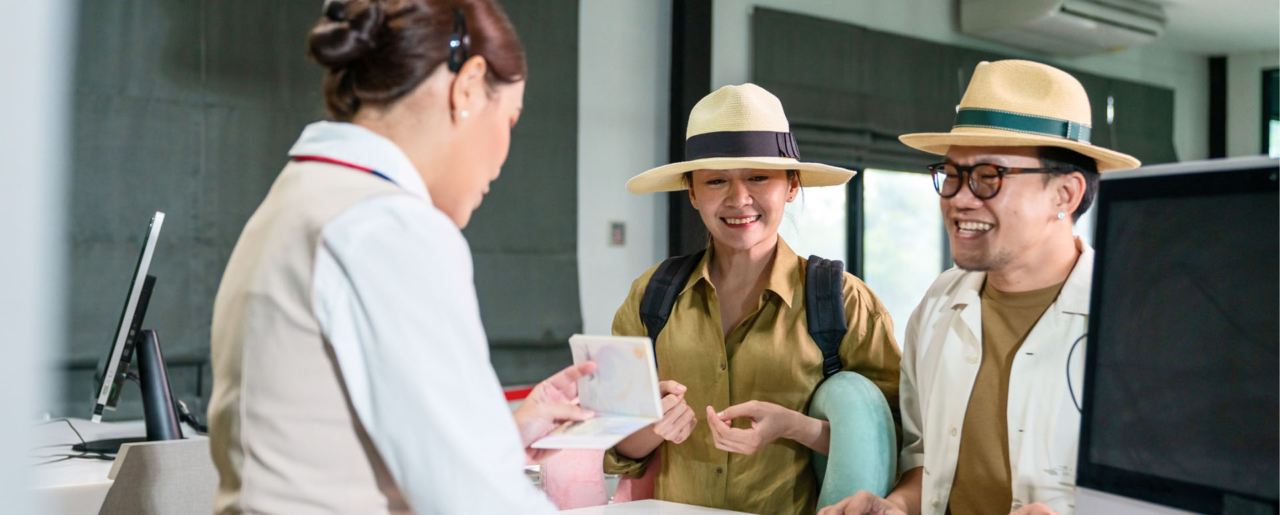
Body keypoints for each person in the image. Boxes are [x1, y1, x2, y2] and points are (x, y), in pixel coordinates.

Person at [207, 1, 592, 513]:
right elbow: (475, 500)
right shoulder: (389, 227)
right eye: (511, 119)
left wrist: (498, 433)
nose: (503, 160)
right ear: (470, 87)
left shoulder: (302, 197)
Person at [819, 60, 1141, 515]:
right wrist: (895, 507)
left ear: (1064, 195)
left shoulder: (1136, 326)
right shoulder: (938, 304)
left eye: (989, 176)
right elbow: (926, 462)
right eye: (951, 175)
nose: (959, 197)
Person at [604, 84, 903, 514]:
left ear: (792, 186)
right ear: (691, 192)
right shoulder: (652, 297)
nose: (738, 198)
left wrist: (798, 428)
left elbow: (894, 442)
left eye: (758, 177)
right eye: (716, 181)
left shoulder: (843, 302)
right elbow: (616, 446)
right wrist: (652, 426)